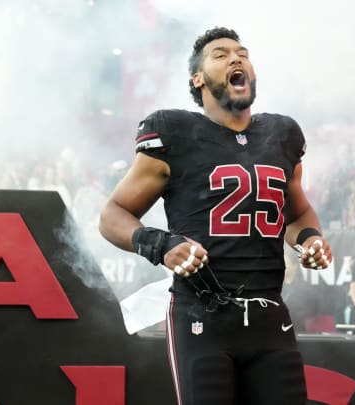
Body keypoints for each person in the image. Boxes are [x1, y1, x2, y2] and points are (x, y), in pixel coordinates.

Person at [98, 27, 331, 405]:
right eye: (221, 55)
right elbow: (113, 214)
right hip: (202, 316)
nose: (236, 58)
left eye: (242, 52)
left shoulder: (282, 134)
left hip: (271, 317)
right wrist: (162, 244)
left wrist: (310, 239)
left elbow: (298, 213)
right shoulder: (175, 131)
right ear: (198, 78)